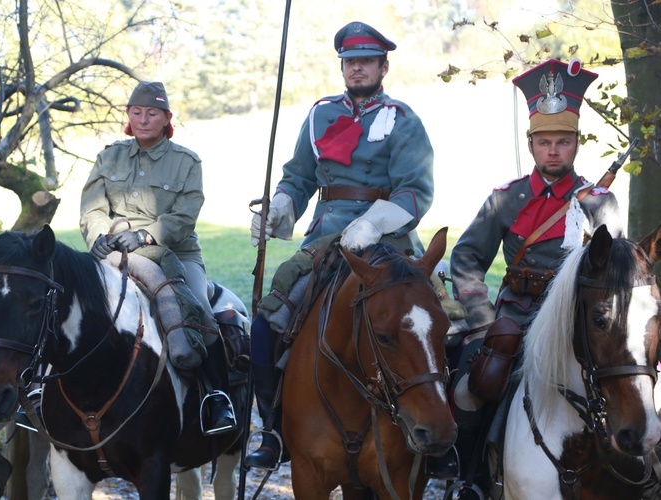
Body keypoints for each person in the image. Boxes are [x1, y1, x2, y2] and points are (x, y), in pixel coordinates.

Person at [245, 21, 435, 469]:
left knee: (441, 324)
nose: (357, 69)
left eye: (366, 62)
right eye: (350, 63)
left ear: (383, 66)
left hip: (388, 237)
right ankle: (275, 429)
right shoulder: (319, 115)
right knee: (266, 322)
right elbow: (299, 178)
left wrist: (373, 224)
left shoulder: (404, 121)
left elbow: (415, 190)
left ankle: (443, 440)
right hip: (325, 237)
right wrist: (279, 209)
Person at [440, 59, 623, 498]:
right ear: (532, 143)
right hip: (514, 315)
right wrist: (483, 317)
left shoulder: (599, 202)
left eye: (563, 142)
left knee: (624, 380)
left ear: (576, 144)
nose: (554, 151)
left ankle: (635, 466)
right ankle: (471, 478)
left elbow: (612, 272)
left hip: (573, 318)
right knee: (472, 383)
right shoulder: (506, 198)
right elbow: (466, 257)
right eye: (545, 142)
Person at [79, 81, 236, 435]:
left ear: (166, 118)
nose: (143, 119)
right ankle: (42, 391)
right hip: (114, 250)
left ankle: (217, 397)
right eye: (137, 112)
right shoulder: (109, 156)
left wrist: (145, 235)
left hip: (174, 253)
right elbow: (92, 206)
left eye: (152, 113)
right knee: (68, 304)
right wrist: (100, 238)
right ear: (128, 116)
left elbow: (184, 217)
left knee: (199, 310)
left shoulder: (186, 162)